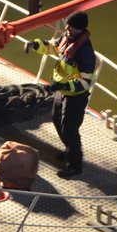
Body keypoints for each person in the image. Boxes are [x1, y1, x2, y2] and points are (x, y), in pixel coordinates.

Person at [26, 11, 97, 178]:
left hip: (75, 96)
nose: (67, 28)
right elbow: (53, 46)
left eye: (70, 26)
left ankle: (75, 165)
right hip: (62, 90)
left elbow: (85, 82)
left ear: (79, 29)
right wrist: (35, 44)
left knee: (69, 129)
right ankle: (69, 151)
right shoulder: (68, 38)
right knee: (56, 119)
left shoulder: (85, 53)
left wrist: (63, 85)